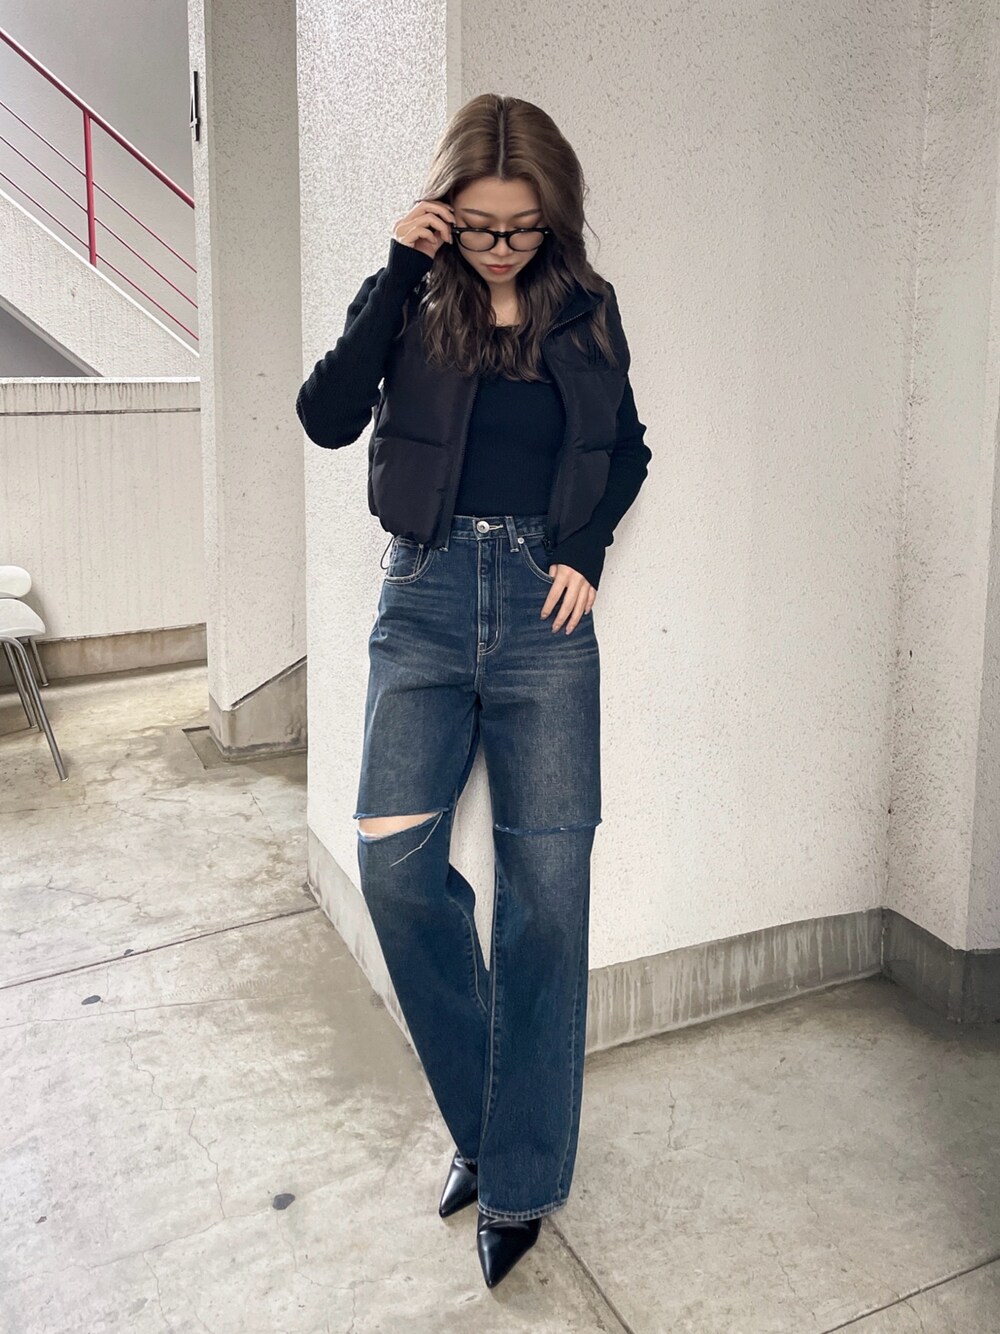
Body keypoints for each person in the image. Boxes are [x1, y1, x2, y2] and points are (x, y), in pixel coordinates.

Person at [296, 92, 651, 1290]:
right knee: (398, 871)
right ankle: (494, 1134)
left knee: (545, 902)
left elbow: (628, 447)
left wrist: (584, 552)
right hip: (427, 598)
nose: (502, 246)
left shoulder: (585, 308)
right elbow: (326, 416)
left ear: (555, 216)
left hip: (546, 615)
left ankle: (519, 1176)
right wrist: (400, 267)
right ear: (447, 209)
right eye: (481, 224)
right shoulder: (410, 297)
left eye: (523, 226)